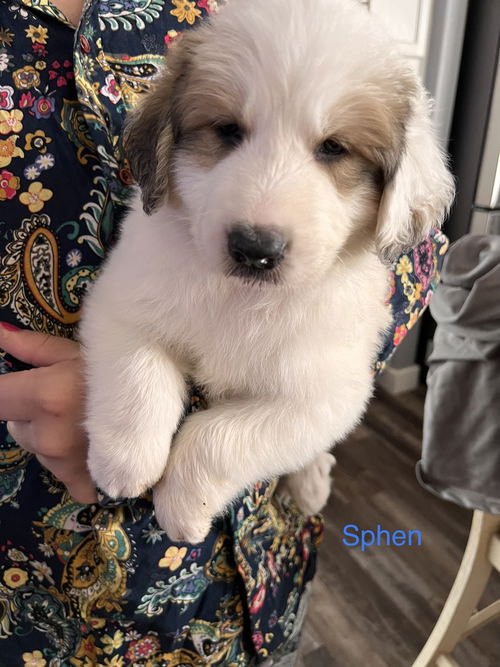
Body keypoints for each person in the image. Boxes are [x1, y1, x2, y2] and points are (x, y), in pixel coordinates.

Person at [0, 0, 448, 664]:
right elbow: (127, 316)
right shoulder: (163, 215)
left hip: (254, 583)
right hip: (39, 591)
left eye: (332, 149)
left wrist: (214, 453)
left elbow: (411, 254)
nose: (261, 214)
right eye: (227, 132)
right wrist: (127, 394)